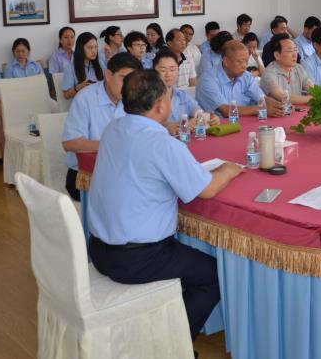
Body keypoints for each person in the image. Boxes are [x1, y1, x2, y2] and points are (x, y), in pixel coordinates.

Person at [87, 69, 243, 341]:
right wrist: (228, 170)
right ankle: (172, 345)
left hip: (99, 250)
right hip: (138, 259)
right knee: (212, 277)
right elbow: (206, 189)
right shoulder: (162, 144)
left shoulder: (112, 129)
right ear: (160, 105)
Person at [61, 52, 142, 201]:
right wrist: (111, 145)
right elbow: (70, 143)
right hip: (86, 175)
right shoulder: (85, 98)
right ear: (108, 75)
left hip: (123, 170)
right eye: (124, 79)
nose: (129, 87)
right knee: (130, 198)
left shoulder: (133, 98)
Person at [196, 41, 284, 118]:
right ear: (226, 61)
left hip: (245, 123)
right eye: (240, 62)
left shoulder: (246, 76)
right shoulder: (208, 80)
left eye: (246, 61)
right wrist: (261, 109)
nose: (245, 66)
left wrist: (279, 106)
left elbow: (262, 99)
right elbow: (226, 111)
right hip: (219, 127)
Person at [153, 48, 219, 136]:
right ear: (153, 72)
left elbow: (198, 113)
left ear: (178, 71)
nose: (168, 74)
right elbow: (145, 122)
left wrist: (210, 118)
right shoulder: (148, 97)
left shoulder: (182, 95)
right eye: (163, 70)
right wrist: (167, 126)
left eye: (172, 70)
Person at [260, 34, 313, 104]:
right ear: (277, 55)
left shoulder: (298, 68)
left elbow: (313, 89)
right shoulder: (269, 74)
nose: (294, 54)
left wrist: (316, 94)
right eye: (289, 51)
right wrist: (312, 99)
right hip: (280, 111)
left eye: (295, 50)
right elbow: (283, 97)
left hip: (298, 109)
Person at [62, 32, 104, 100]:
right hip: (81, 103)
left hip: (99, 101)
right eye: (90, 47)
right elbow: (66, 95)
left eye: (96, 47)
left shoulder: (100, 64)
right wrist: (78, 88)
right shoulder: (70, 68)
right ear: (81, 49)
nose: (94, 51)